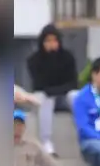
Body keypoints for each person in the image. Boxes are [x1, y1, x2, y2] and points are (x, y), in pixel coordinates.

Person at [25, 24, 78, 155]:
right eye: (48, 41)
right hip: (46, 96)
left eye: (54, 40)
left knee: (76, 96)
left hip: (63, 95)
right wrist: (50, 58)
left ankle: (84, 133)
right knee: (44, 99)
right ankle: (46, 142)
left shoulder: (67, 57)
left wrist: (57, 90)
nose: (52, 44)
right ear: (42, 42)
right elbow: (40, 84)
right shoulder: (34, 60)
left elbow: (73, 83)